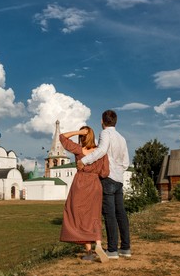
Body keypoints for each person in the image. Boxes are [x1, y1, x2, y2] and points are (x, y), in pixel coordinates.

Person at [77, 110, 131, 259]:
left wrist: (84, 161)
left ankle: (112, 250)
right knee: (121, 214)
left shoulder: (105, 134)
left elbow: (101, 151)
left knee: (109, 214)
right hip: (119, 179)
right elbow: (126, 162)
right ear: (115, 121)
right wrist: (118, 170)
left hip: (108, 178)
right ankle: (125, 248)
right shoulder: (122, 138)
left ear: (102, 121)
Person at [59, 126, 110, 263]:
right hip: (95, 184)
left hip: (80, 184)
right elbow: (105, 173)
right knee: (94, 216)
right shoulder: (101, 152)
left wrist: (78, 132)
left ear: (82, 137)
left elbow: (62, 138)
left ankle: (89, 252)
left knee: (78, 216)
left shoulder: (78, 150)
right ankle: (98, 245)